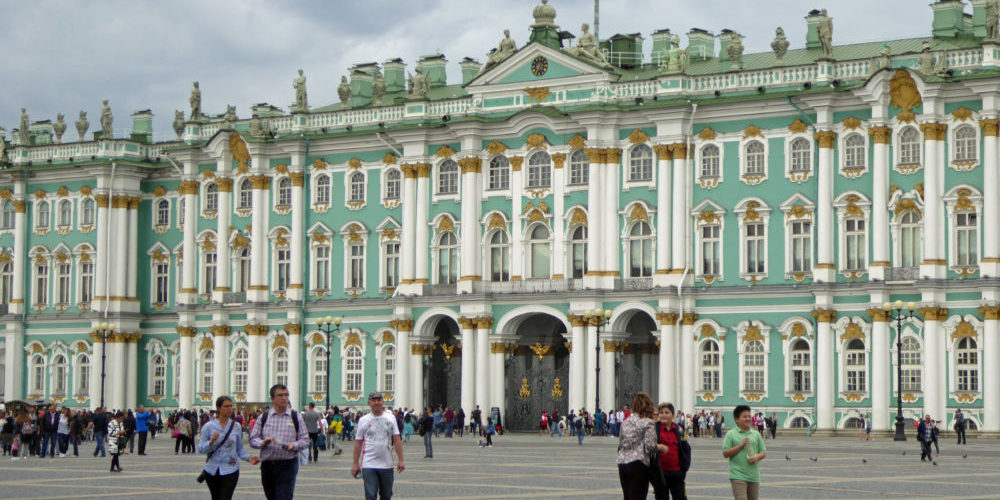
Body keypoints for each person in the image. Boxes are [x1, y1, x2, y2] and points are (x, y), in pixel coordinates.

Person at [250, 384, 309, 500]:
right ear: (272, 398)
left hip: (288, 464)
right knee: (271, 496)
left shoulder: (296, 417)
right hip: (268, 465)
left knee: (284, 497)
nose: (284, 398)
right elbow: (252, 439)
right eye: (280, 395)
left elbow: (305, 440)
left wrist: (294, 445)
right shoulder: (264, 417)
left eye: (286, 395)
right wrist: (262, 443)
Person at [198, 396, 260, 500]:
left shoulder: (236, 426)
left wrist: (249, 458)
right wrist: (211, 442)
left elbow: (239, 449)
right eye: (226, 406)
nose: (230, 409)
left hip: (231, 469)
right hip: (212, 470)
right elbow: (200, 448)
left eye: (231, 406)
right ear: (218, 408)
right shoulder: (208, 426)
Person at [352, 392, 405, 500]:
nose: (376, 402)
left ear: (382, 402)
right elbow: (358, 443)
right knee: (371, 496)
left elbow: (396, 439)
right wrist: (355, 463)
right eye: (373, 400)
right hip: (369, 463)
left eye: (378, 400)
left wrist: (401, 460)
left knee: (386, 495)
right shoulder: (363, 420)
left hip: (387, 464)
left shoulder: (391, 418)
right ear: (369, 403)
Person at [616, 392, 658, 500]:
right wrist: (661, 447)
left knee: (627, 496)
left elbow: (620, 444)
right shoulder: (648, 423)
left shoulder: (625, 422)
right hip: (638, 464)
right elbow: (650, 446)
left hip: (622, 464)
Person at [723, 405, 766, 500]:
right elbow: (725, 453)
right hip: (738, 475)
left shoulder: (756, 434)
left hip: (753, 476)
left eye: (749, 416)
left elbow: (763, 452)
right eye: (744, 416)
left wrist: (757, 457)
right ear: (736, 419)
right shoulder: (731, 434)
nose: (748, 419)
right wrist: (740, 445)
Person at [652, 403, 691, 500]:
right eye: (661, 412)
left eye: (667, 412)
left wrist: (684, 469)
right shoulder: (653, 428)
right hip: (660, 474)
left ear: (673, 415)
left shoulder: (680, 430)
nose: (663, 415)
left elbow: (686, 448)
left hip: (677, 473)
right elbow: (647, 446)